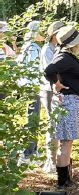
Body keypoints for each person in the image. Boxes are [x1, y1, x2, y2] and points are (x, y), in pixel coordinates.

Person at [44, 25, 79, 188]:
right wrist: (56, 84)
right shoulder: (63, 57)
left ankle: (66, 177)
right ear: (73, 44)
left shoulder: (66, 56)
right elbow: (48, 70)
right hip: (68, 103)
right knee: (65, 142)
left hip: (71, 103)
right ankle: (62, 182)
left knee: (67, 142)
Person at [39, 21, 67, 172]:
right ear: (54, 34)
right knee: (53, 123)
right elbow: (50, 72)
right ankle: (51, 161)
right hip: (49, 90)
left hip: (58, 89)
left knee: (58, 122)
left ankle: (58, 159)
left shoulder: (58, 48)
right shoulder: (46, 50)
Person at [15, 21, 46, 159]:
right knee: (33, 118)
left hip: (27, 86)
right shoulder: (33, 48)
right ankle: (28, 153)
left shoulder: (27, 46)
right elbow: (34, 69)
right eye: (42, 31)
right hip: (33, 87)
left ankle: (32, 150)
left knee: (32, 116)